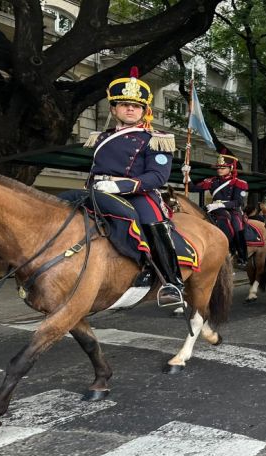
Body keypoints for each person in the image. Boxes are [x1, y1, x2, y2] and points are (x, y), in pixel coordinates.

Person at [61, 66, 181, 305]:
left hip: (136, 194)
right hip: (96, 191)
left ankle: (171, 282)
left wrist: (119, 186)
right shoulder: (101, 138)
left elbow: (157, 178)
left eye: (135, 106)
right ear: (114, 109)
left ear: (144, 111)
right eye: (124, 104)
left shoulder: (156, 139)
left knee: (152, 223)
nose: (130, 109)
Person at [184, 151, 250, 267]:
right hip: (212, 209)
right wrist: (186, 175)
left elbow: (238, 202)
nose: (219, 170)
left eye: (223, 167)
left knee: (237, 227)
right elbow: (192, 188)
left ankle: (240, 255)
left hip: (231, 210)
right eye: (218, 167)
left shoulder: (239, 183)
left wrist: (220, 205)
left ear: (231, 168)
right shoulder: (212, 181)